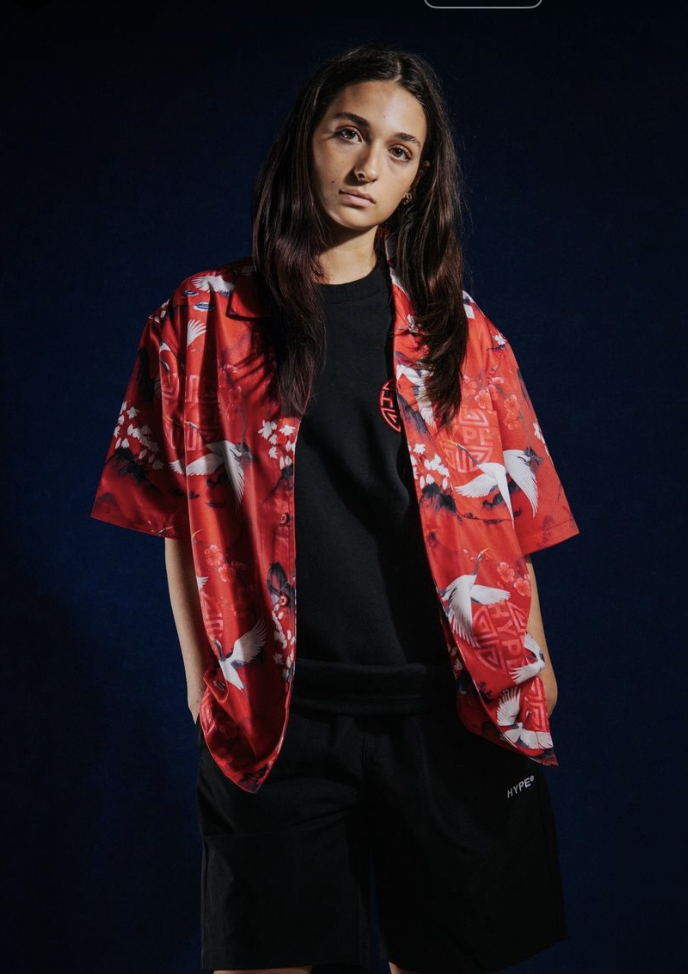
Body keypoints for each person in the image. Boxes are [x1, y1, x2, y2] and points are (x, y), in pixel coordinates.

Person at [91, 43, 579, 974]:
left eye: (400, 151)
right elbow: (175, 516)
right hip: (281, 717)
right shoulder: (199, 320)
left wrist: (538, 662)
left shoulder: (460, 332)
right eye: (349, 134)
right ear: (305, 140)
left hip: (449, 710)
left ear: (418, 180)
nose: (368, 167)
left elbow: (509, 517)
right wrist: (203, 681)